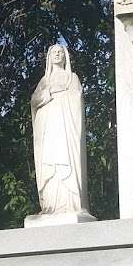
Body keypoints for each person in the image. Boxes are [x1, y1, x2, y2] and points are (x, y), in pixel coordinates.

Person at [30, 43, 90, 216]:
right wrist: (48, 95)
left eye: (60, 52)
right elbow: (34, 102)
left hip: (65, 126)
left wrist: (63, 96)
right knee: (50, 163)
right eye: (53, 52)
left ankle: (70, 203)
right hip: (48, 127)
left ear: (65, 56)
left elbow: (77, 99)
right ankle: (50, 205)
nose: (57, 55)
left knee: (66, 160)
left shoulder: (72, 78)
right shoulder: (44, 81)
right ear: (49, 58)